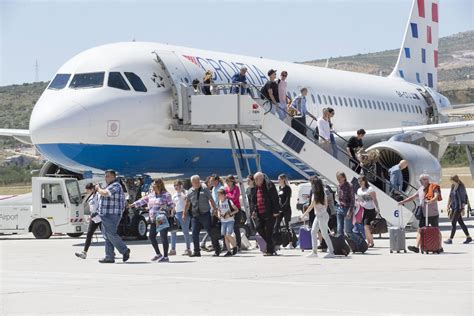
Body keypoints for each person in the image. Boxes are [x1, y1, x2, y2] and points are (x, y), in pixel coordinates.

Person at [131, 178, 174, 262]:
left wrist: (165, 208)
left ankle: (165, 257)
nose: (152, 186)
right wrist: (133, 204)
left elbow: (171, 205)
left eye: (153, 185)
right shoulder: (151, 195)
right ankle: (158, 254)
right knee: (151, 236)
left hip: (161, 218)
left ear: (158, 185)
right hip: (153, 219)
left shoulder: (166, 195)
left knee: (163, 237)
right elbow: (143, 200)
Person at [399, 174, 442, 253]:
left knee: (436, 230)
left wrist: (430, 201)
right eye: (424, 179)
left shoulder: (433, 187)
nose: (426, 181)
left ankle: (439, 246)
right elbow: (412, 197)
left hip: (433, 213)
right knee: (420, 229)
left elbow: (436, 196)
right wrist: (402, 202)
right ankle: (416, 247)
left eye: (426, 179)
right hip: (423, 213)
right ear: (420, 181)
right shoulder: (420, 189)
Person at [95, 170, 130, 263]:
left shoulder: (116, 185)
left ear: (113, 177)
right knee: (107, 236)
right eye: (105, 176)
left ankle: (124, 250)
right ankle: (109, 256)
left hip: (111, 214)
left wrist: (98, 189)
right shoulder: (109, 186)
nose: (105, 178)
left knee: (110, 234)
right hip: (105, 214)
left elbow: (105, 193)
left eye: (107, 176)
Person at [183, 175, 221, 257]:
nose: (197, 183)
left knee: (211, 232)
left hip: (205, 215)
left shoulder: (204, 189)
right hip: (195, 216)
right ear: (192, 183)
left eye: (198, 181)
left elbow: (211, 199)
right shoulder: (190, 191)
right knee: (194, 234)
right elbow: (187, 203)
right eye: (195, 182)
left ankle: (217, 250)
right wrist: (184, 213)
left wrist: (215, 209)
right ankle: (197, 251)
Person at [300, 177, 335, 258]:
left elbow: (311, 205)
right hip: (320, 215)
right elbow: (326, 205)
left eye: (312, 183)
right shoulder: (322, 192)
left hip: (321, 216)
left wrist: (304, 214)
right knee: (313, 232)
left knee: (324, 234)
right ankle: (314, 252)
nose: (311, 185)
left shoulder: (317, 194)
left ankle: (331, 252)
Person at [250, 172, 280, 256]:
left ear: (261, 178)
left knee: (268, 231)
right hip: (260, 212)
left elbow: (275, 198)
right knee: (258, 227)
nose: (255, 181)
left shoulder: (269, 185)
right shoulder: (256, 187)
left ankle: (270, 250)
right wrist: (253, 211)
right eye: (255, 179)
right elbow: (254, 201)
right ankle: (272, 245)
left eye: (256, 179)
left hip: (269, 212)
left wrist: (275, 211)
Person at [75, 183, 101, 259]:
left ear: (92, 189)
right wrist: (91, 215)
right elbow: (92, 207)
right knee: (89, 234)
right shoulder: (90, 197)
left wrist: (95, 214)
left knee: (106, 236)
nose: (87, 191)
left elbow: (99, 206)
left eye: (88, 190)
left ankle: (111, 251)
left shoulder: (98, 195)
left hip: (100, 218)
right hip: (93, 218)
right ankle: (84, 253)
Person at [444, 175, 471, 244]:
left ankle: (450, 239)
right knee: (461, 222)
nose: (451, 182)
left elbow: (463, 198)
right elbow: (450, 196)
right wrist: (447, 205)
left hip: (458, 207)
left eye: (452, 181)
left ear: (455, 180)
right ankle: (468, 237)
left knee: (453, 222)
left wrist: (463, 209)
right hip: (453, 206)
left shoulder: (461, 187)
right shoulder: (453, 186)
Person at [356, 175, 380, 248]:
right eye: (359, 181)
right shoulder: (359, 190)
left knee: (366, 226)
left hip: (370, 209)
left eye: (361, 181)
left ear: (365, 181)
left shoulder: (370, 189)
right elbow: (359, 199)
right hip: (362, 209)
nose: (360, 183)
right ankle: (369, 241)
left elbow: (374, 199)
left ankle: (371, 242)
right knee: (365, 226)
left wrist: (377, 208)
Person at [170, 180, 192, 256]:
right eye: (175, 186)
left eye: (177, 185)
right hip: (176, 214)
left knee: (185, 232)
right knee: (173, 231)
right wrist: (172, 215)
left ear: (181, 185)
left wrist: (184, 213)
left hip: (184, 213)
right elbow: (173, 206)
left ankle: (188, 249)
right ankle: (173, 249)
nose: (176, 187)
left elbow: (187, 202)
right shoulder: (174, 195)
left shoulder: (185, 193)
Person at [217, 188, 239, 256]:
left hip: (230, 220)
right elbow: (218, 210)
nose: (219, 197)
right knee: (225, 236)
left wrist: (230, 214)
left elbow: (236, 210)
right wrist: (219, 215)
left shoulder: (229, 201)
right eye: (218, 195)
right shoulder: (219, 202)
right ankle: (229, 251)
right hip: (223, 221)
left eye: (220, 195)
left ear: (224, 195)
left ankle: (235, 246)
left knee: (228, 234)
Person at [224, 175, 242, 250]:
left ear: (232, 181)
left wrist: (226, 195)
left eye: (229, 181)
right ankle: (227, 245)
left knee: (236, 228)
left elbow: (234, 198)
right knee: (227, 228)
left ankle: (238, 245)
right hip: (228, 210)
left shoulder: (236, 188)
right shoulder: (226, 188)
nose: (227, 183)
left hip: (236, 210)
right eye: (226, 181)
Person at [336, 171, 354, 237]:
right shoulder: (338, 186)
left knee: (348, 231)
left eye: (340, 178)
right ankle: (342, 246)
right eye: (337, 179)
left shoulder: (349, 185)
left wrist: (350, 211)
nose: (339, 180)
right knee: (339, 230)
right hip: (340, 209)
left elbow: (352, 200)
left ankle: (360, 242)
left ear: (344, 178)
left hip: (347, 209)